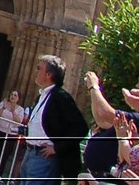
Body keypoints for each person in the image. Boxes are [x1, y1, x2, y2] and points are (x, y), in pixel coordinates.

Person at [21, 54, 88, 184]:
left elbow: (80, 127)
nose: (36, 71)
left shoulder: (60, 97)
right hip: (30, 153)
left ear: (48, 75)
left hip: (44, 157)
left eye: (39, 68)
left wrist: (57, 148)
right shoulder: (42, 95)